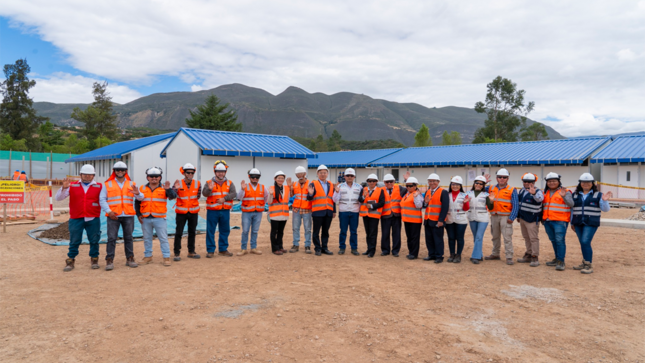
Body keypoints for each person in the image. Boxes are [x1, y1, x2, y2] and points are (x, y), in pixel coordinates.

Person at [57, 164, 103, 272]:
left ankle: (94, 258)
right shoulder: (71, 186)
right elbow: (58, 198)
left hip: (93, 217)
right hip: (76, 218)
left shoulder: (100, 186)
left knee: (94, 239)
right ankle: (70, 260)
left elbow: (105, 199)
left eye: (90, 175)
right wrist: (64, 188)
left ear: (93, 175)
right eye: (85, 174)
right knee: (74, 240)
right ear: (80, 175)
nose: (87, 176)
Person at [99, 161, 142, 270]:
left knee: (128, 238)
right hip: (113, 215)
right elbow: (102, 199)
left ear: (125, 171)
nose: (120, 171)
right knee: (111, 238)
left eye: (122, 170)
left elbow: (141, 198)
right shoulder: (108, 184)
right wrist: (109, 212)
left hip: (128, 215)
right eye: (117, 170)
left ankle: (130, 258)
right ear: (114, 171)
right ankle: (109, 260)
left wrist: (138, 193)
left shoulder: (132, 184)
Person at [136, 167, 178, 267]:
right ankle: (148, 256)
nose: (154, 178)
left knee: (163, 238)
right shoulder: (142, 188)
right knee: (147, 238)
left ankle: (166, 257)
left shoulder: (164, 188)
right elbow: (137, 202)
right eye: (151, 176)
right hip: (146, 217)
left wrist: (168, 189)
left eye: (156, 176)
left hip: (160, 218)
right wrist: (138, 214)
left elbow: (173, 196)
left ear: (160, 177)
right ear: (147, 177)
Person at [571, 173, 612, 274]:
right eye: (583, 182)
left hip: (591, 222)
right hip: (578, 222)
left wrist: (605, 201)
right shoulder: (575, 195)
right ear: (580, 183)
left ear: (592, 183)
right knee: (583, 243)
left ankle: (589, 264)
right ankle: (585, 262)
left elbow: (605, 209)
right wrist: (572, 222)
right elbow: (572, 209)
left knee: (585, 241)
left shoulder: (598, 195)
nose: (585, 184)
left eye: (588, 182)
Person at [202, 160, 237, 258]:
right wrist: (209, 189)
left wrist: (224, 199)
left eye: (222, 171)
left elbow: (234, 194)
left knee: (225, 230)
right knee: (210, 230)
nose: (220, 173)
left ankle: (223, 249)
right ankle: (210, 250)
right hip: (212, 211)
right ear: (215, 172)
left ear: (225, 172)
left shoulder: (230, 183)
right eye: (218, 171)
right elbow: (204, 194)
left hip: (225, 210)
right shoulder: (209, 182)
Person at [485, 168, 519, 265]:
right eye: (500, 177)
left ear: (507, 178)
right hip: (494, 216)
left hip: (506, 217)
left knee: (507, 237)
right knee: (495, 236)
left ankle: (509, 256)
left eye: (504, 177)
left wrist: (512, 218)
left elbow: (516, 205)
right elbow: (477, 189)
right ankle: (495, 253)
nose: (502, 179)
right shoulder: (490, 188)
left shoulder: (512, 190)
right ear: (496, 178)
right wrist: (483, 181)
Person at [542, 172, 574, 271]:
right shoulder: (545, 192)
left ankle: (561, 261)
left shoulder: (566, 191)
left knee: (560, 241)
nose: (551, 183)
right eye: (549, 181)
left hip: (560, 221)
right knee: (553, 240)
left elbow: (571, 204)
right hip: (548, 221)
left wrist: (564, 196)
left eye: (554, 181)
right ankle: (557, 259)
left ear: (558, 182)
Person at [173, 163, 202, 261]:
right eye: (188, 172)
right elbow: (172, 195)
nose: (190, 174)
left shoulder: (198, 184)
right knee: (179, 233)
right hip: (181, 212)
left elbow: (197, 196)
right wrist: (175, 189)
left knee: (192, 232)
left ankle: (191, 251)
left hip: (193, 212)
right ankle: (177, 253)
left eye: (192, 172)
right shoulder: (178, 183)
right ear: (184, 173)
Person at [237, 168, 268, 256]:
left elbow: (266, 197)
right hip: (247, 212)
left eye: (257, 177)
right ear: (249, 177)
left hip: (258, 212)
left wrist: (261, 205)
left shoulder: (263, 187)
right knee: (245, 231)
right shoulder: (245, 186)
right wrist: (242, 190)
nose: (255, 178)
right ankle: (243, 248)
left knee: (255, 231)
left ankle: (253, 247)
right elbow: (239, 197)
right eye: (253, 177)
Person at [332, 168, 362, 255]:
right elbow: (334, 200)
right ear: (344, 176)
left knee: (354, 231)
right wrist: (337, 192)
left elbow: (361, 200)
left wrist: (359, 210)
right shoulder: (340, 187)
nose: (349, 177)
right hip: (343, 212)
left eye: (351, 176)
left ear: (354, 177)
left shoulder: (359, 187)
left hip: (354, 212)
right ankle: (342, 247)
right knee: (343, 231)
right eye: (348, 175)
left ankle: (354, 248)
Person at [516, 173, 543, 267]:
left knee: (533, 238)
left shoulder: (538, 191)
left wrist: (534, 193)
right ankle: (528, 254)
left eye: (529, 182)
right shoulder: (522, 191)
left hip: (532, 219)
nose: (527, 183)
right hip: (523, 218)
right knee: (526, 237)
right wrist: (518, 216)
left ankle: (535, 257)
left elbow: (540, 199)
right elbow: (520, 204)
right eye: (525, 181)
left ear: (534, 182)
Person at [307, 164, 335, 256]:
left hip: (328, 212)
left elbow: (332, 198)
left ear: (327, 173)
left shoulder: (331, 184)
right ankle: (317, 248)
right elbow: (309, 198)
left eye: (324, 173)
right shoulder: (313, 184)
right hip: (318, 212)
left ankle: (325, 248)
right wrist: (310, 194)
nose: (323, 174)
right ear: (317, 174)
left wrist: (333, 210)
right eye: (321, 173)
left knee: (325, 231)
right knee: (316, 232)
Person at [358, 174, 386, 258]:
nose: (371, 182)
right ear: (367, 182)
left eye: (373, 181)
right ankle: (368, 249)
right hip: (365, 214)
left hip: (374, 215)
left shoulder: (380, 190)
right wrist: (364, 196)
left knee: (373, 233)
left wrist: (372, 206)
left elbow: (381, 202)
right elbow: (360, 199)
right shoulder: (364, 189)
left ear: (376, 182)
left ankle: (372, 251)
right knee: (368, 233)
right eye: (370, 181)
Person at [423, 173, 449, 263]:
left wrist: (441, 220)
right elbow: (425, 205)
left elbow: (445, 207)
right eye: (430, 181)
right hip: (428, 220)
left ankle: (439, 256)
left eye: (434, 181)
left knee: (438, 239)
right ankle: (431, 254)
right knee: (429, 239)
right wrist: (425, 203)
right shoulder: (427, 191)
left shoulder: (443, 192)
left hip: (437, 220)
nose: (432, 183)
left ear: (438, 182)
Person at [467, 176, 493, 264]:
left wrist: (491, 201)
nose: (478, 185)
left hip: (483, 219)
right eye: (477, 183)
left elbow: (490, 207)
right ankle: (480, 254)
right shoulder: (468, 193)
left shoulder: (486, 195)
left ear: (483, 186)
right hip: (472, 218)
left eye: (481, 183)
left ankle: (475, 257)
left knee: (478, 236)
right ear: (474, 184)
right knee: (476, 237)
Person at [444, 176, 470, 263]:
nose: (455, 186)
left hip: (461, 220)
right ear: (450, 185)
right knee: (451, 238)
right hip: (449, 219)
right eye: (453, 184)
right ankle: (452, 254)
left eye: (457, 185)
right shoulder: (447, 195)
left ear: (460, 186)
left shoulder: (464, 195)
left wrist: (465, 203)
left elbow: (466, 209)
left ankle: (458, 255)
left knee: (459, 238)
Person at [381, 173, 407, 257]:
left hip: (396, 215)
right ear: (384, 182)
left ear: (394, 181)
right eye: (387, 181)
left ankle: (395, 250)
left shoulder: (399, 188)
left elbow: (410, 188)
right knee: (385, 233)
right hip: (385, 215)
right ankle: (385, 250)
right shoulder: (380, 190)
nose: (389, 183)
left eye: (391, 181)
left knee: (396, 234)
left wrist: (407, 180)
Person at [289, 166, 312, 254]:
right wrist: (290, 188)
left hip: (307, 209)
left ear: (305, 174)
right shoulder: (294, 184)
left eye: (301, 173)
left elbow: (313, 195)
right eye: (297, 174)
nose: (299, 175)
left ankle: (307, 245)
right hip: (296, 209)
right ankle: (295, 244)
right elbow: (291, 196)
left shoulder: (311, 183)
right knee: (295, 228)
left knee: (308, 228)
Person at [401, 177, 424, 259]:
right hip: (407, 219)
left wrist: (416, 197)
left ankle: (414, 254)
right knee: (409, 237)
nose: (408, 187)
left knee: (414, 238)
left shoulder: (417, 194)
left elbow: (419, 205)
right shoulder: (407, 194)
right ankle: (411, 252)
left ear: (415, 186)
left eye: (410, 186)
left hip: (415, 220)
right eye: (407, 186)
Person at [268, 171, 290, 255]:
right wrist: (270, 194)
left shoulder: (286, 188)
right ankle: (275, 248)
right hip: (275, 215)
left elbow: (287, 200)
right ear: (275, 179)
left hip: (284, 214)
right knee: (274, 232)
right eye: (279, 178)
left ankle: (280, 246)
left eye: (282, 178)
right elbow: (269, 201)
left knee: (281, 231)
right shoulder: (272, 188)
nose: (281, 179)